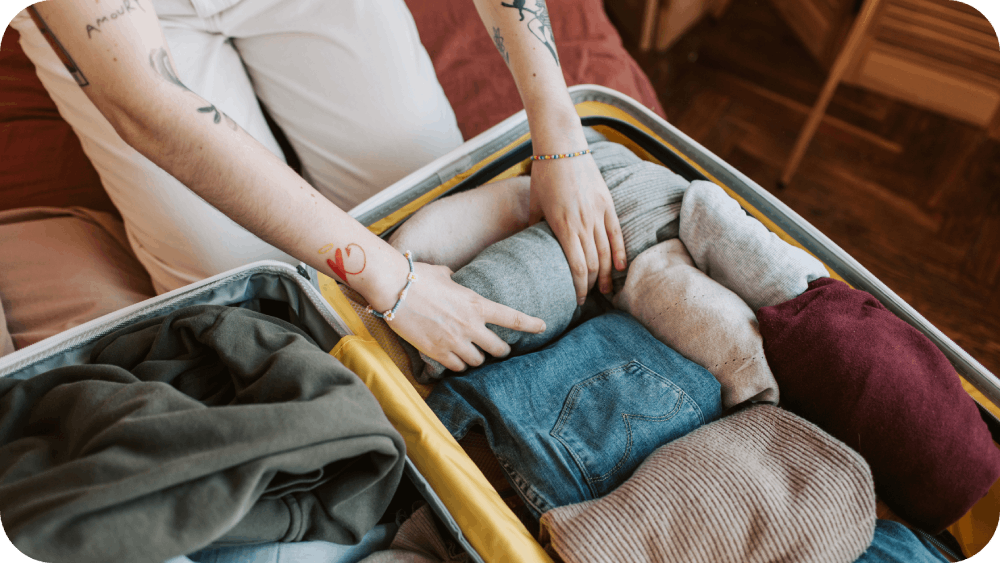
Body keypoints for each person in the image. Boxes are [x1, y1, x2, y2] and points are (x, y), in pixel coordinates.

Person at [10, 0, 627, 373]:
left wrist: (558, 131)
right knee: (240, 292)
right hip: (124, 28)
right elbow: (149, 106)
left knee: (424, 195)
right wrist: (391, 281)